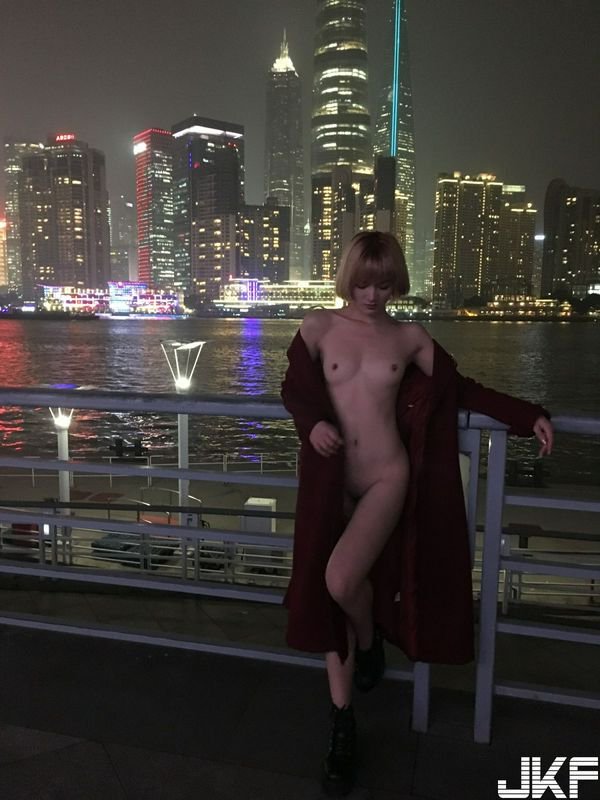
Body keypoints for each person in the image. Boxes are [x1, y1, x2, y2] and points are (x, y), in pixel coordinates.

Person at [281, 231, 553, 797]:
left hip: (387, 476)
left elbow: (459, 389)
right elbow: (295, 390)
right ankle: (342, 722)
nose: (372, 295)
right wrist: (313, 423)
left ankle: (368, 640)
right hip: (331, 481)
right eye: (363, 283)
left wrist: (526, 415)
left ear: (396, 284)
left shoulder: (409, 338)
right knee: (332, 595)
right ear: (347, 278)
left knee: (339, 580)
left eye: (383, 285)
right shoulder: (317, 327)